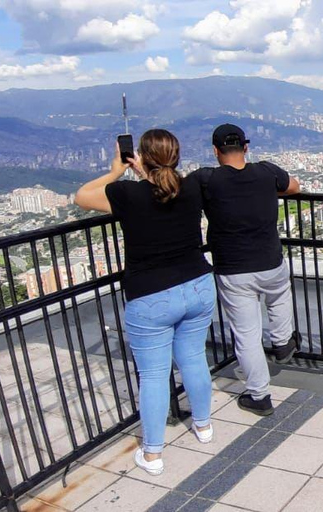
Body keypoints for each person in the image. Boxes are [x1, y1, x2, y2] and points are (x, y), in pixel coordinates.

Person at [75, 129, 215, 476]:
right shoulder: (192, 187)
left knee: (153, 375)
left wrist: (115, 170)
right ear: (177, 156)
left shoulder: (127, 194)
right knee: (194, 358)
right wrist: (145, 173)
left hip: (151, 295)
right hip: (198, 284)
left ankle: (152, 454)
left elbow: (82, 196)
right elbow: (165, 189)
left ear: (140, 156)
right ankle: (203, 426)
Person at [194, 124, 301, 416]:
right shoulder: (266, 171)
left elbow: (173, 195)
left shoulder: (206, 179)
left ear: (215, 151)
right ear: (246, 147)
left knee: (247, 334)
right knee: (279, 296)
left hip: (234, 269)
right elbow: (294, 186)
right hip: (271, 260)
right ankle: (282, 342)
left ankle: (260, 396)